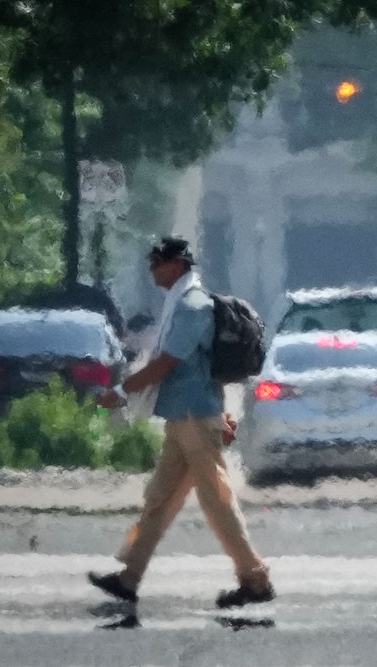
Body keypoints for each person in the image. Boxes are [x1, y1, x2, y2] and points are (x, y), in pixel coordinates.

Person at [87, 237, 274, 609]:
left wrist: (121, 391)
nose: (152, 270)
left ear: (176, 266)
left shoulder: (191, 307)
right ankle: (129, 578)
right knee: (159, 498)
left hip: (195, 419)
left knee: (217, 502)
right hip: (183, 418)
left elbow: (166, 365)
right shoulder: (180, 303)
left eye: (156, 263)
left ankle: (255, 579)